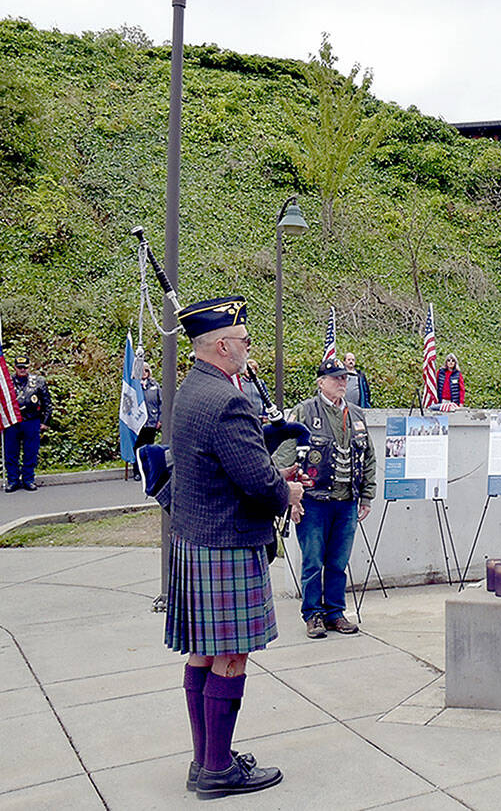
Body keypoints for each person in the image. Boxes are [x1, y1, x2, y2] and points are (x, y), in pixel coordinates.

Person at [163, 295, 304, 799]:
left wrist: (269, 472)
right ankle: (219, 771)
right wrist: (286, 488)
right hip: (226, 542)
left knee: (203, 653)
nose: (248, 347)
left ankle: (206, 762)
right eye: (243, 340)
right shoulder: (229, 399)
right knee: (231, 656)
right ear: (222, 345)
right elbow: (256, 483)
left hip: (197, 537)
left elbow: (227, 465)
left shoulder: (191, 390)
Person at [274, 359, 377, 639]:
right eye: (335, 378)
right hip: (313, 501)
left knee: (337, 561)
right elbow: (285, 452)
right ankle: (313, 614)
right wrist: (289, 497)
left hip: (346, 501)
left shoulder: (356, 414)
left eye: (344, 378)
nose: (342, 383)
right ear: (321, 382)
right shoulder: (305, 411)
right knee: (312, 560)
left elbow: (368, 455)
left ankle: (334, 612)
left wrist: (366, 494)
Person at [2, 354, 51, 492]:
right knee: (11, 453)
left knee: (31, 452)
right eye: (19, 367)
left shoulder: (38, 381)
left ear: (29, 367)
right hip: (12, 422)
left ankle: (28, 479)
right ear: (15, 367)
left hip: (32, 421)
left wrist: (45, 421)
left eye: (25, 367)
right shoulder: (6, 381)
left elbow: (47, 402)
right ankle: (12, 480)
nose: (22, 370)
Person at [135, 361, 162, 451]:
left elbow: (161, 403)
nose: (144, 373)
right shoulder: (134, 386)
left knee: (149, 447)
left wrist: (160, 420)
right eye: (141, 370)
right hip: (138, 423)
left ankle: (148, 465)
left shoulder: (155, 385)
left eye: (146, 370)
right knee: (138, 448)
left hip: (151, 421)